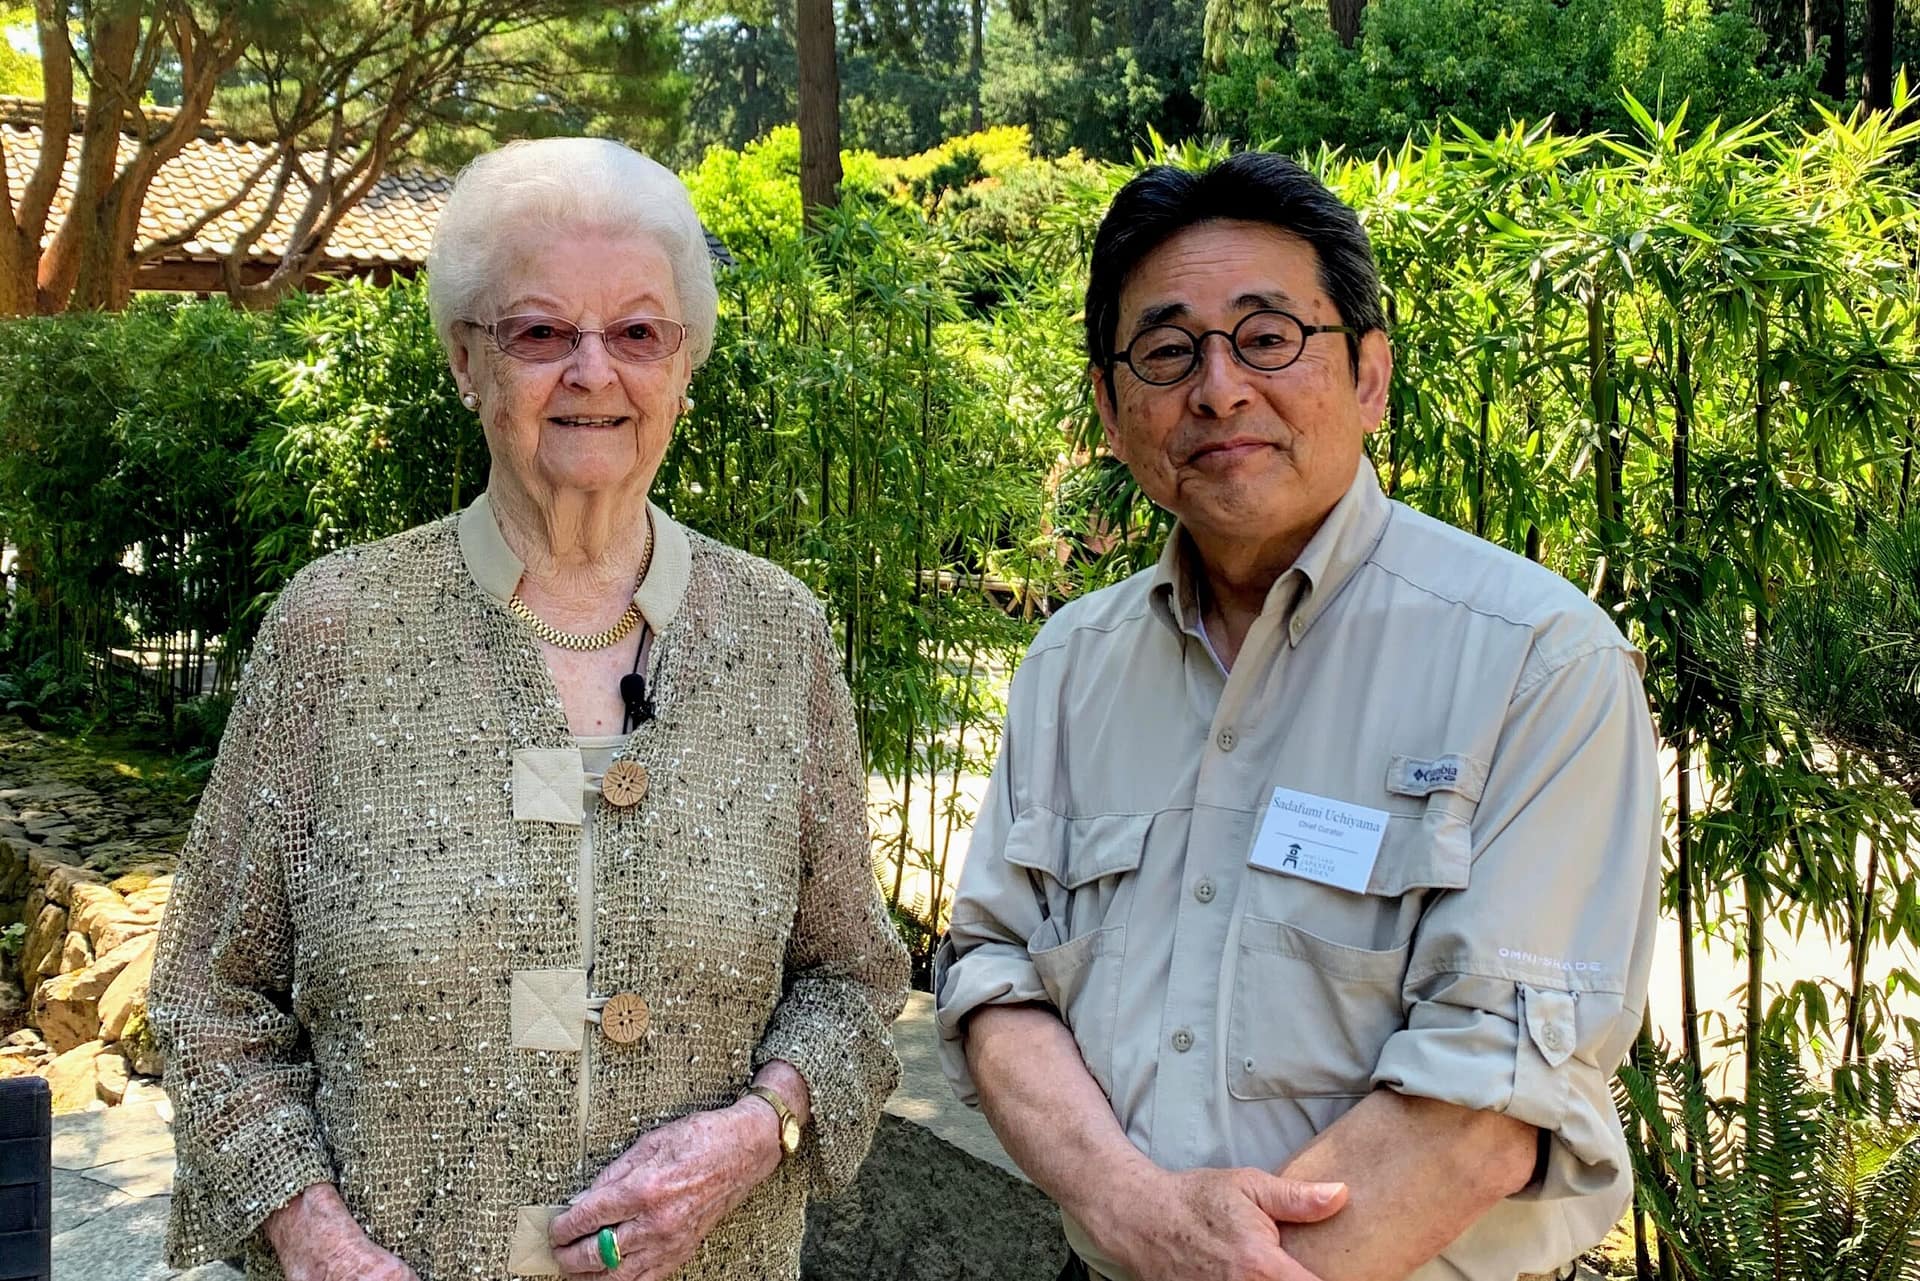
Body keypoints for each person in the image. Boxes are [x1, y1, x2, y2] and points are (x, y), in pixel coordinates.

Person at [149, 137, 910, 1281]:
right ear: (468, 361)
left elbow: (853, 982)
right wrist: (318, 1246)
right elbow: (207, 997)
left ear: (684, 365)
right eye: (542, 332)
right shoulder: (337, 628)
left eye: (638, 333)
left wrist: (759, 1134)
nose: (594, 372)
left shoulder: (779, 635)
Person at [934, 152, 1661, 1281]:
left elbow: (1488, 1096)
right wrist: (1132, 1213)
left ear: (1370, 374)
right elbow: (992, 970)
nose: (1219, 387)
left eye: (1269, 336)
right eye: (1168, 352)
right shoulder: (1070, 664)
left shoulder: (1535, 661)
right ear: (1112, 408)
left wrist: (1215, 1265)